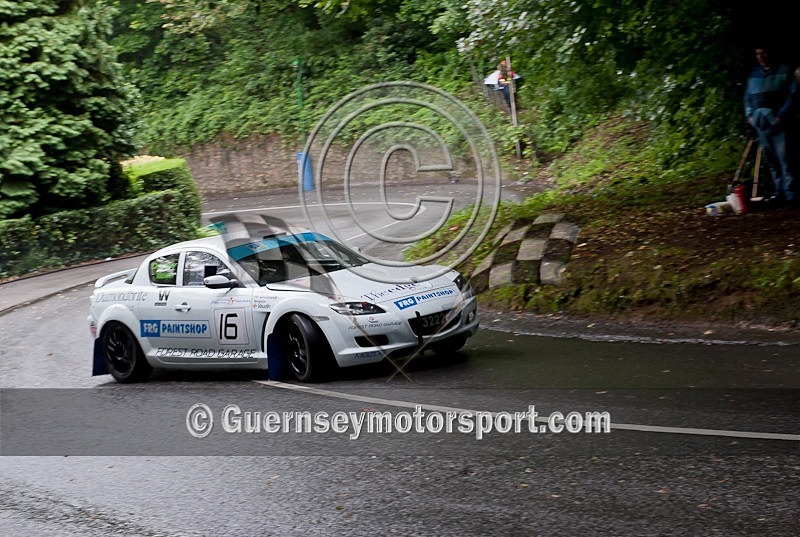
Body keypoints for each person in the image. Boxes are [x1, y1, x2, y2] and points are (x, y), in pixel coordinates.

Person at [744, 45, 798, 206]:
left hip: (780, 123)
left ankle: (792, 195)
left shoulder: (784, 71)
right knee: (772, 162)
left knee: (787, 160)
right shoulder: (754, 74)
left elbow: (792, 95)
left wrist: (781, 116)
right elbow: (747, 98)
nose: (761, 56)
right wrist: (750, 118)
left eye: (764, 52)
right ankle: (779, 194)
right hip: (761, 125)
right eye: (758, 53)